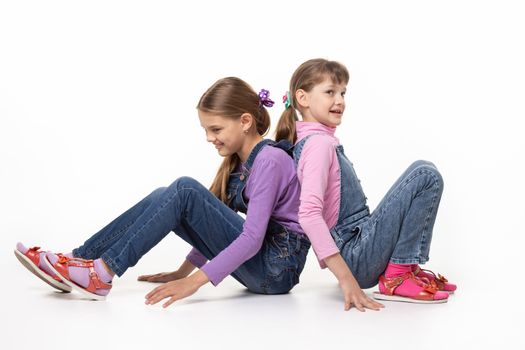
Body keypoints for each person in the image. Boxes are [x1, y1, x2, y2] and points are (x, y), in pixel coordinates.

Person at [14, 77, 310, 308]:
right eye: (206, 130)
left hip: (275, 270)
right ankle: (78, 260)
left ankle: (101, 273)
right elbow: (213, 226)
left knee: (183, 189)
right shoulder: (239, 163)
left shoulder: (270, 160)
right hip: (264, 268)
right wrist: (183, 270)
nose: (209, 138)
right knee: (165, 194)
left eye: (216, 129)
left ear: (245, 121)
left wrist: (193, 282)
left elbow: (250, 238)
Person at [275, 58, 456, 310]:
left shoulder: (319, 140)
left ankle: (406, 268)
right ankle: (397, 276)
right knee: (426, 176)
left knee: (423, 169)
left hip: (361, 242)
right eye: (330, 92)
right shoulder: (318, 145)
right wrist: (347, 279)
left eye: (342, 93)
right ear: (303, 98)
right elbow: (308, 216)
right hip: (355, 256)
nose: (339, 100)